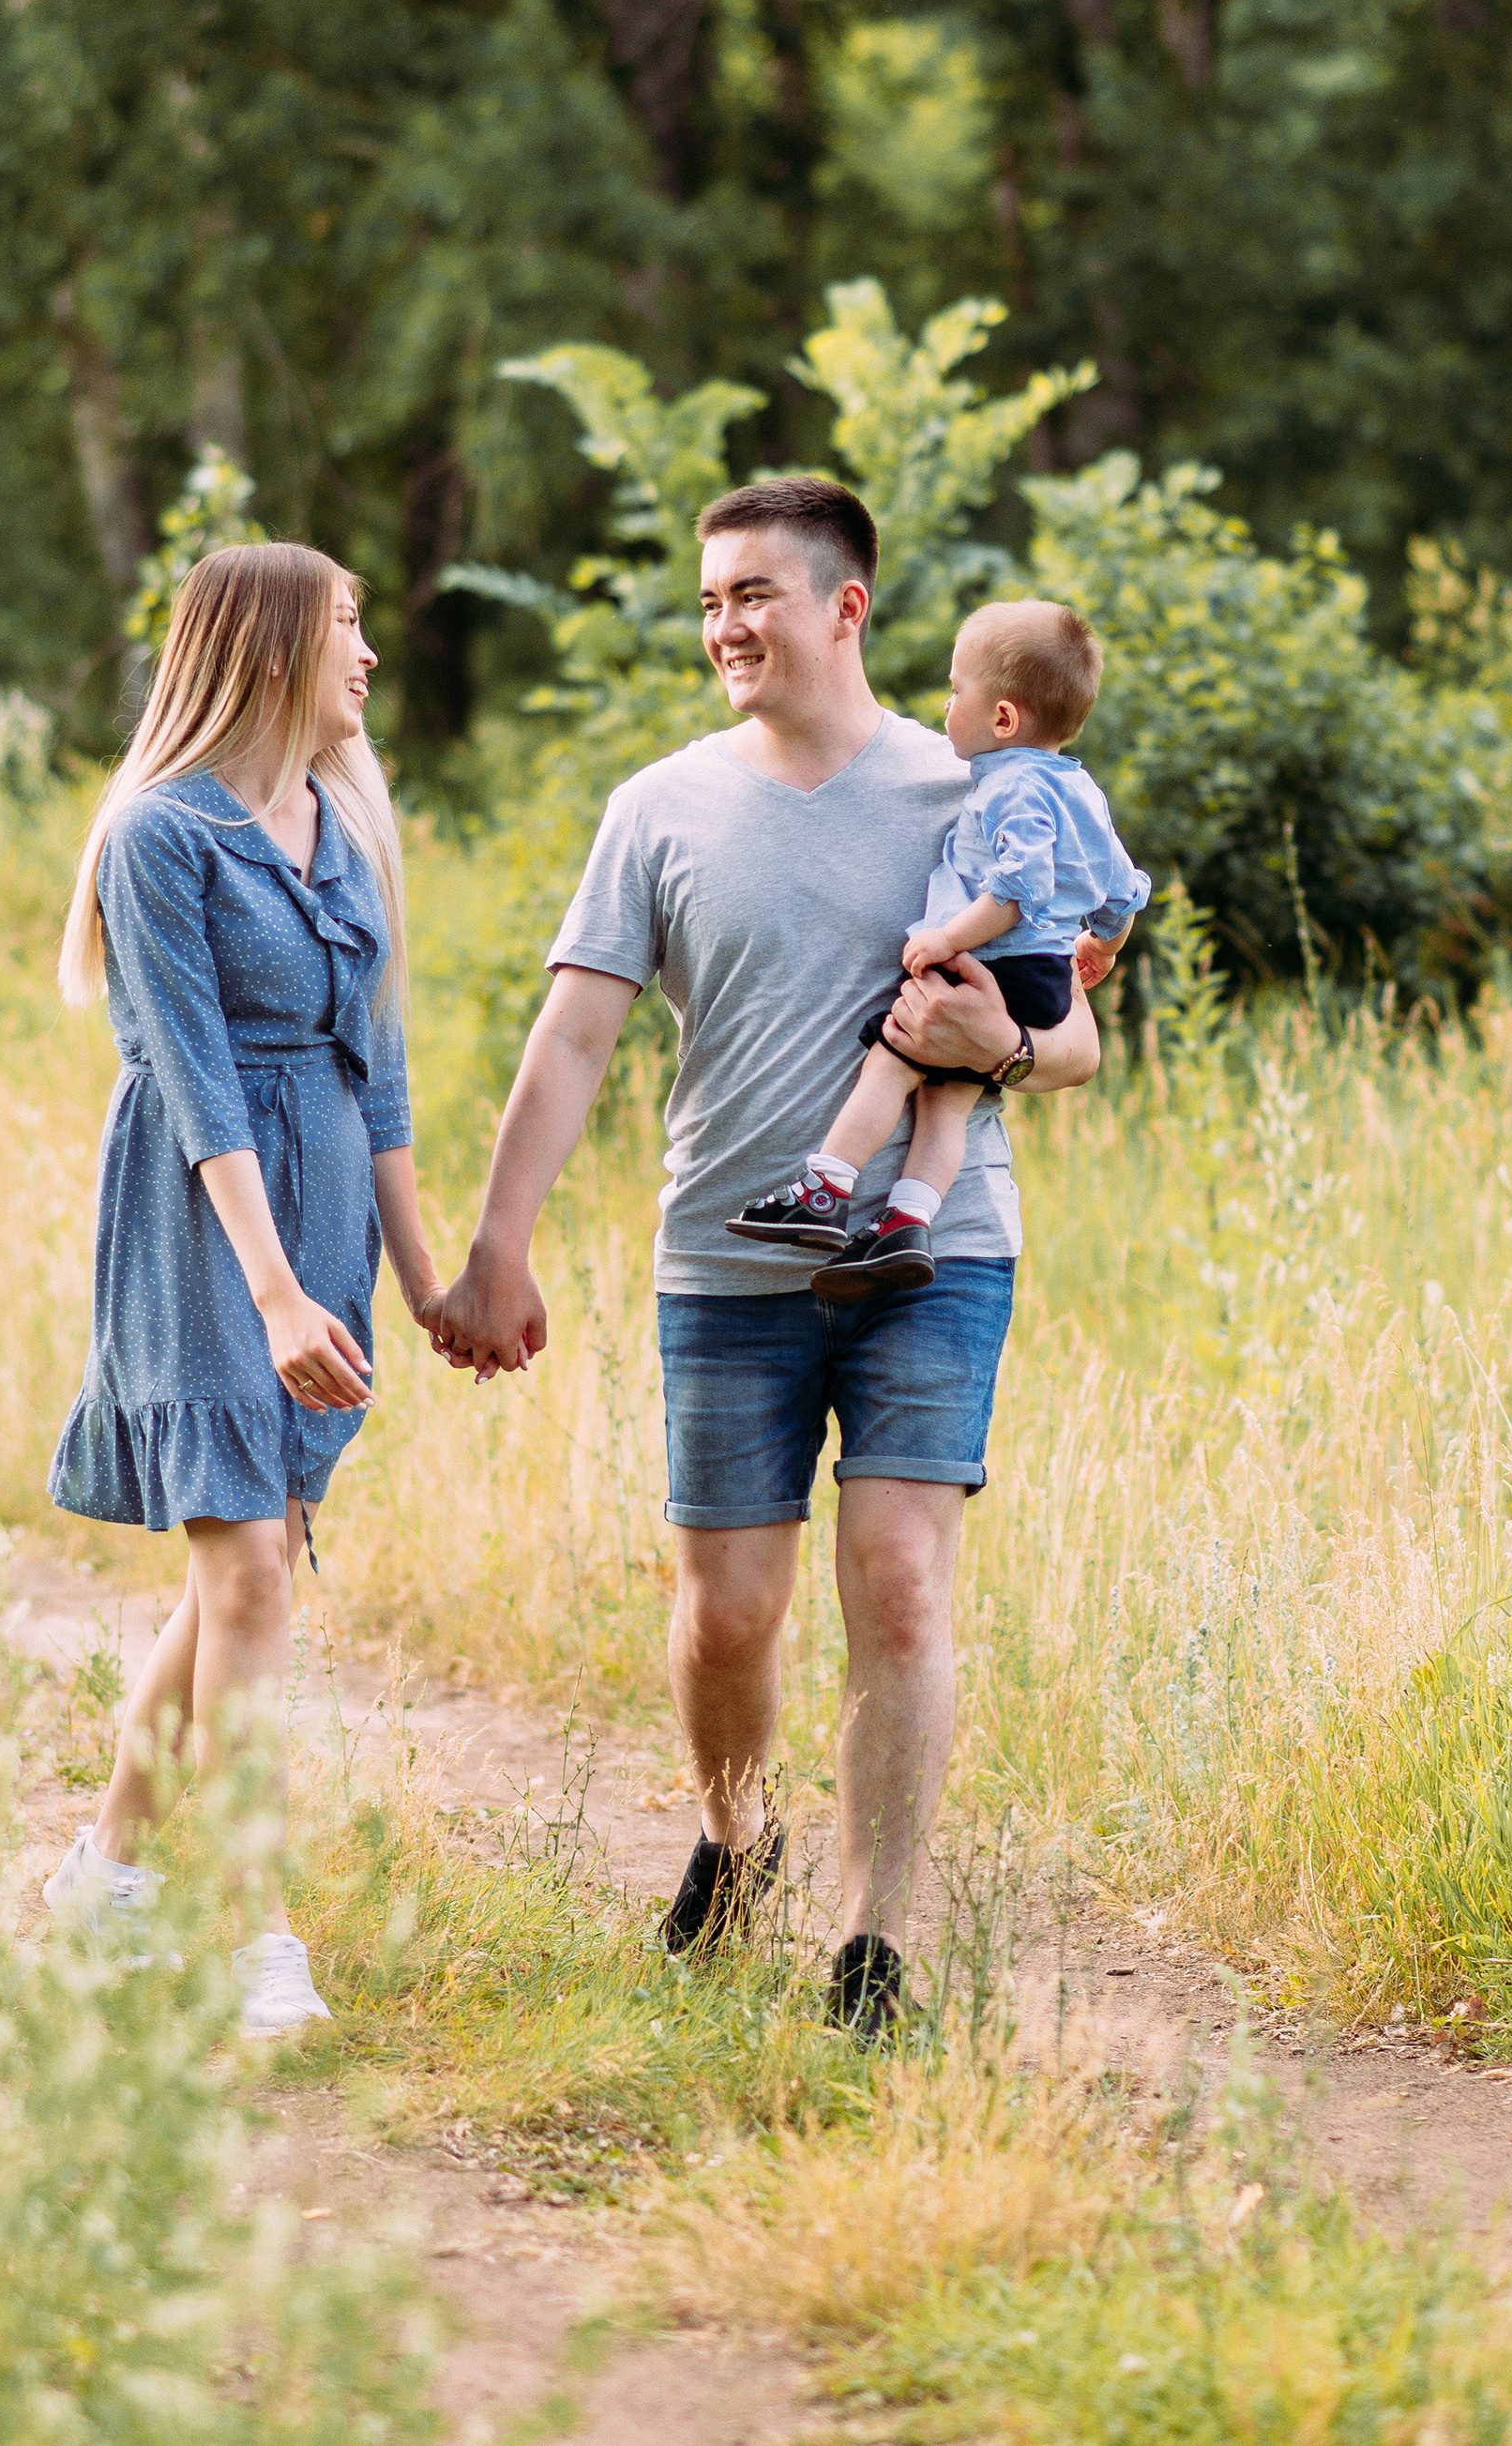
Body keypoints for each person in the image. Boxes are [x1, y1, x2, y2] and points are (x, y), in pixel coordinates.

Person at [433, 476, 1100, 2038]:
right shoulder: (658, 806)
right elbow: (575, 1035)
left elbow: (1074, 1046)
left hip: (937, 1254)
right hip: (726, 1260)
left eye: (755, 593)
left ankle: (875, 1946)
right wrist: (497, 1242)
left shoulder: (979, 788)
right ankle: (740, 1844)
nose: (725, 622)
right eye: (713, 595)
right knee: (729, 1609)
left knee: (901, 1586)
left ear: (845, 606)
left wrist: (998, 1037)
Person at [42, 543, 446, 2038]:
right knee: (253, 1569)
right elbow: (200, 1086)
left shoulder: (345, 817)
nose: (369, 658)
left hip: (324, 1202)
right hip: (207, 1218)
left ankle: (106, 1878)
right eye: (348, 626)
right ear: (271, 646)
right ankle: (252, 1929)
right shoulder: (159, 833)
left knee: (243, 1564)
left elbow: (378, 1064)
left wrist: (423, 1277)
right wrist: (276, 1294)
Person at [727, 597, 1148, 1300]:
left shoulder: (1009, 789)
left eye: (957, 692)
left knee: (890, 1068)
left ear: (1003, 718)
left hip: (987, 965)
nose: (946, 706)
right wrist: (1100, 945)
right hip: (1041, 976)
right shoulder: (1081, 789)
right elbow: (1123, 891)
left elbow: (1018, 886)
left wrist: (945, 938)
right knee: (947, 1103)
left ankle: (825, 1188)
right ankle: (909, 1222)